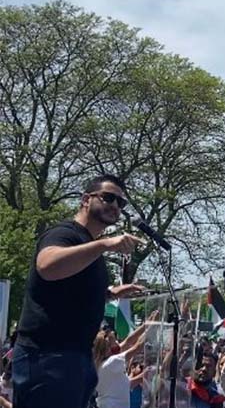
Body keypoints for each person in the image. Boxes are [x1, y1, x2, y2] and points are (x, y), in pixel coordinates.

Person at [13, 174, 146, 408]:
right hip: (47, 356)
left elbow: (71, 291)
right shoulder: (64, 233)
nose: (115, 206)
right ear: (86, 199)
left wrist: (110, 294)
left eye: (121, 202)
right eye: (108, 198)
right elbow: (47, 266)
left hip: (77, 356)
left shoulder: (90, 245)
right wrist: (105, 244)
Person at [93, 311, 157, 408]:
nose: (117, 342)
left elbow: (128, 341)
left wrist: (146, 325)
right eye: (114, 341)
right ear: (107, 348)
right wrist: (152, 325)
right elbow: (137, 346)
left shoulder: (102, 364)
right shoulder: (112, 362)